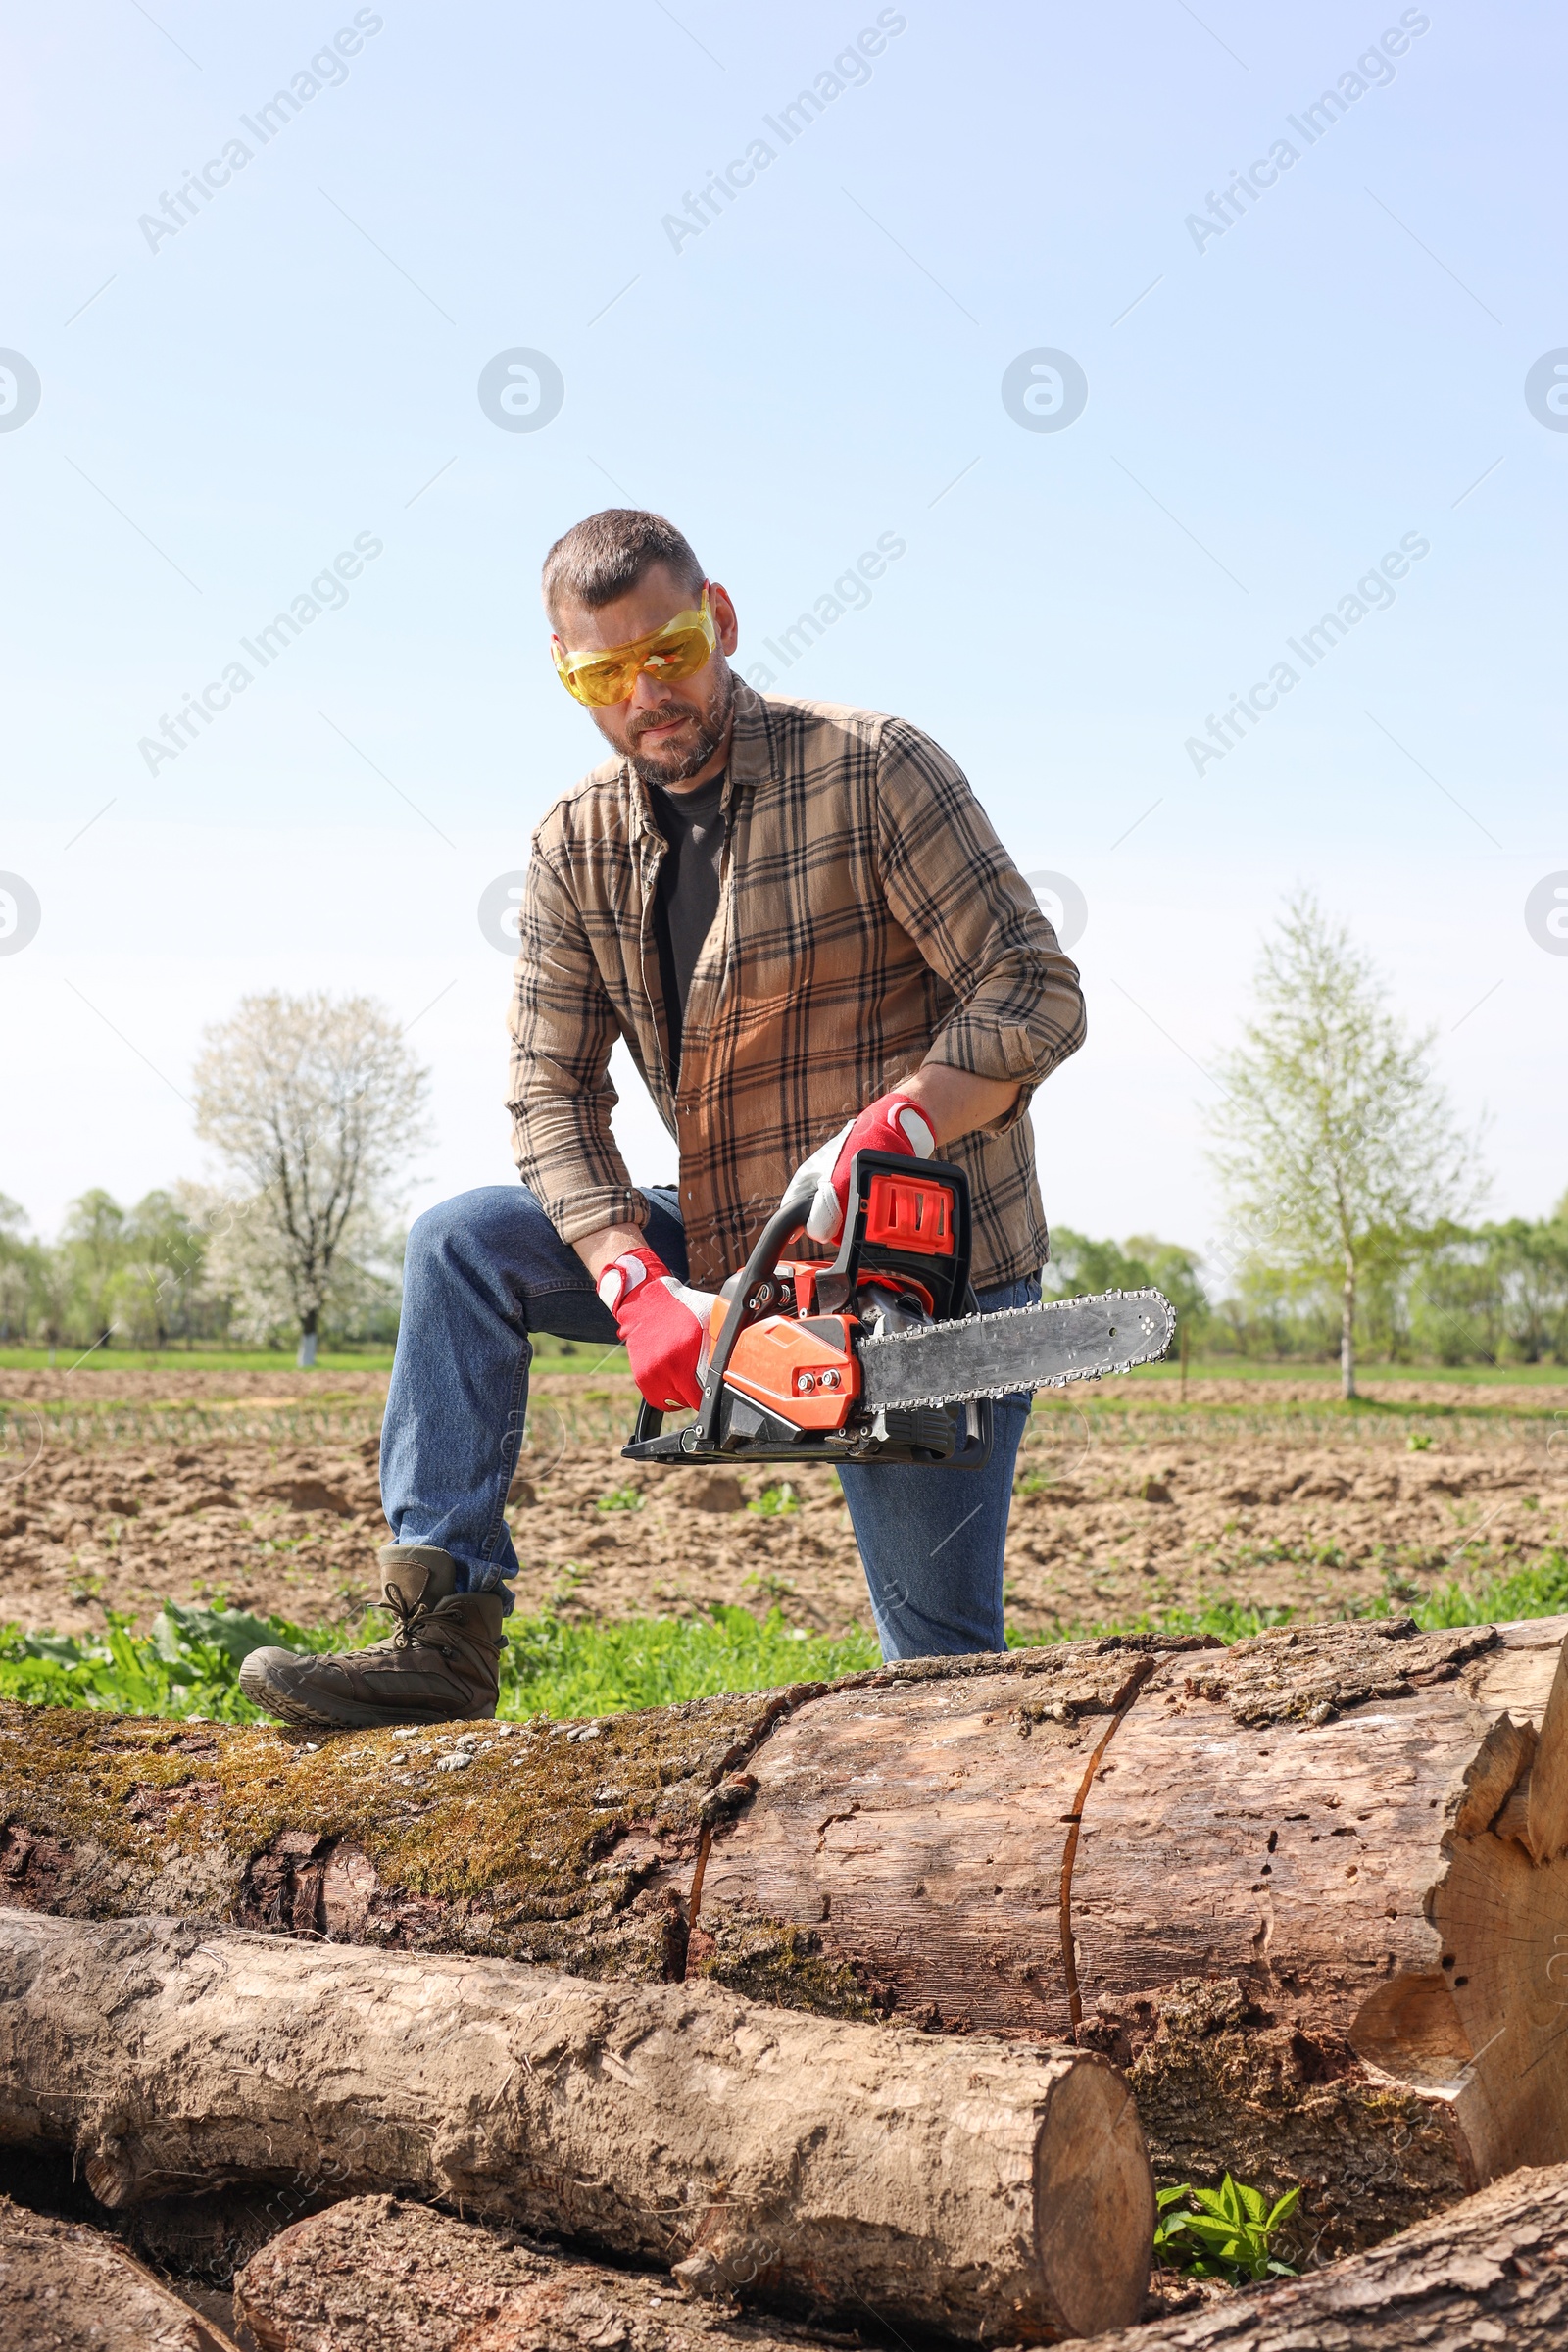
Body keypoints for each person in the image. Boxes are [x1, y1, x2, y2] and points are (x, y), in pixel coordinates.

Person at [239, 510, 1086, 1729]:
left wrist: (904, 1118)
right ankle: (442, 1633)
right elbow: (549, 1092)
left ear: (721, 622)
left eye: (670, 651)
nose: (648, 693)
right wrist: (630, 1275)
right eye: (604, 672)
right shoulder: (575, 843)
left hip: (924, 1263)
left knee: (939, 1663)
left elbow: (1033, 987)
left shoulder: (871, 768)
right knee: (463, 1242)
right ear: (564, 673)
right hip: (737, 1242)